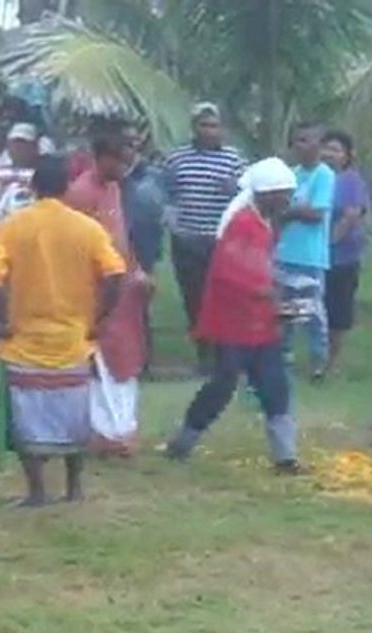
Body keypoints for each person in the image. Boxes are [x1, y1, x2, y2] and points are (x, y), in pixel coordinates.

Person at [0, 155, 126, 507]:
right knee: (73, 416)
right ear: (66, 187)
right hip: (73, 340)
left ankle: (37, 492)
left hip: (25, 342)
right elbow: (116, 274)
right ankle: (74, 488)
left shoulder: (13, 226)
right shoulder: (87, 228)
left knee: (26, 419)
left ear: (32, 187)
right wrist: (99, 318)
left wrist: (1, 322)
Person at [165, 158, 303, 474]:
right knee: (223, 385)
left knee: (273, 385)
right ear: (267, 194)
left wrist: (273, 291)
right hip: (235, 321)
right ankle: (183, 441)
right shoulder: (244, 224)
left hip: (257, 320)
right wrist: (270, 293)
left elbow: (255, 268)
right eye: (284, 194)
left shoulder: (260, 221)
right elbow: (232, 272)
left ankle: (286, 457)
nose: (288, 201)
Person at [67, 133, 151, 454]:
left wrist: (137, 271)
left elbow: (121, 239)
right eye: (120, 160)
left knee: (124, 358)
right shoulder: (80, 194)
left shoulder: (114, 188)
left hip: (123, 290)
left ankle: (121, 428)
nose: (125, 167)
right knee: (101, 362)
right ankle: (105, 433)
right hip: (96, 292)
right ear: (100, 157)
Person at [165, 103, 245, 372]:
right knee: (194, 297)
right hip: (187, 238)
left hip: (220, 240)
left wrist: (234, 189)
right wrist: (174, 226)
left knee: (222, 297)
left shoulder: (233, 159)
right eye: (204, 125)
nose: (210, 130)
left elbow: (246, 196)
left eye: (214, 125)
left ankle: (225, 355)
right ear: (194, 128)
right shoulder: (178, 158)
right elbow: (169, 194)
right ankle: (204, 355)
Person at [275, 122, 336, 380]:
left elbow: (315, 213)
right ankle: (283, 359)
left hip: (310, 255)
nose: (299, 146)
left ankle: (318, 361)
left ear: (318, 146)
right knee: (283, 310)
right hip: (284, 252)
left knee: (312, 312)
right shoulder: (291, 174)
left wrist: (291, 212)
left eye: (305, 140)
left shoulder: (324, 175)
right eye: (296, 141)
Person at [321, 130, 370, 374]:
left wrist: (328, 244)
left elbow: (351, 215)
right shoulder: (316, 176)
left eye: (336, 150)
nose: (330, 154)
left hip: (343, 255)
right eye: (326, 148)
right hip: (314, 253)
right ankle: (316, 355)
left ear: (347, 155)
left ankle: (332, 360)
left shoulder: (351, 181)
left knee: (338, 309)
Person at [121, 124, 165, 372]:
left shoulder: (149, 176)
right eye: (126, 142)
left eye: (135, 142)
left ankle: (144, 358)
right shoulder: (112, 175)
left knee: (140, 304)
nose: (131, 147)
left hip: (142, 246)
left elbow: (154, 214)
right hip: (116, 245)